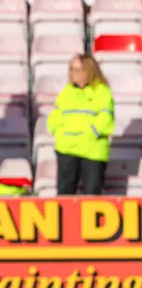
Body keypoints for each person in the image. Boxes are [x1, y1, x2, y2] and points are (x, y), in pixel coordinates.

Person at [47, 54, 115, 195]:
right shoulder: (66, 92)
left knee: (92, 197)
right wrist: (57, 130)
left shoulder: (102, 92)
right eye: (71, 69)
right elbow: (56, 115)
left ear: (88, 71)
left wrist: (91, 133)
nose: (73, 73)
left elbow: (105, 118)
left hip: (92, 151)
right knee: (64, 196)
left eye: (78, 70)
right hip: (66, 149)